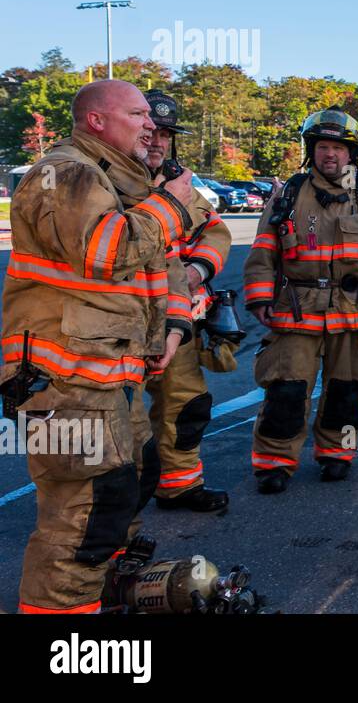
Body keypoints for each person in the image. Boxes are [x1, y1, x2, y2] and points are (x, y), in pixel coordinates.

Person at [2, 79, 194, 613]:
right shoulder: (66, 173)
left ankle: (99, 595)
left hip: (108, 375)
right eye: (138, 114)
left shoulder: (115, 177)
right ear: (96, 121)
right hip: (67, 384)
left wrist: (165, 333)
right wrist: (168, 208)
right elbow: (104, 252)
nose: (151, 125)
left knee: (123, 491)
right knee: (82, 516)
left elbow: (155, 268)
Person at [242, 108, 358, 493]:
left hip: (353, 311)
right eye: (321, 146)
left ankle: (338, 454)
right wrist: (259, 298)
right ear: (310, 151)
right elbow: (263, 252)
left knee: (346, 392)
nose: (329, 154)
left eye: (338, 147)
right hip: (296, 309)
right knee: (285, 390)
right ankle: (273, 463)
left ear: (353, 154)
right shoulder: (288, 195)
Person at [140, 90, 232, 512]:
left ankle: (179, 486)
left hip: (176, 317)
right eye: (150, 131)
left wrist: (197, 272)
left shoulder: (178, 181)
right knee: (120, 421)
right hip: (119, 322)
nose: (157, 141)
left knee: (186, 404)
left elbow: (214, 232)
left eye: (165, 133)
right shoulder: (106, 179)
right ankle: (120, 507)